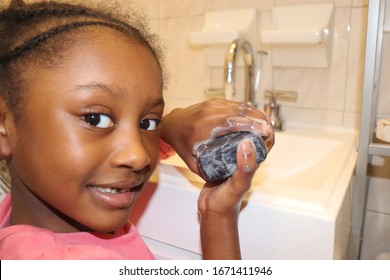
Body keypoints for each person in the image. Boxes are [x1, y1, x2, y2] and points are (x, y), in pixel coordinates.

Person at [0, 0, 274, 260]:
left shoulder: (21, 213)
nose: (138, 156)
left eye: (147, 123)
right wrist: (219, 218)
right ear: (4, 127)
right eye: (96, 119)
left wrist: (172, 123)